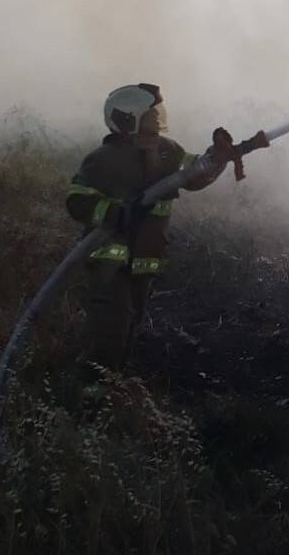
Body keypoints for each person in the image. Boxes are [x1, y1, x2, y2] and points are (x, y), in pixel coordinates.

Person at [65, 83, 229, 379]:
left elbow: (194, 173)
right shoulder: (103, 159)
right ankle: (91, 395)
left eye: (156, 113)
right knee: (109, 334)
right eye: (150, 114)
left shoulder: (167, 151)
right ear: (129, 118)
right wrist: (115, 213)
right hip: (109, 264)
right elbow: (77, 199)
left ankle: (115, 392)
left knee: (130, 330)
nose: (157, 118)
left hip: (143, 262)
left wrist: (217, 157)